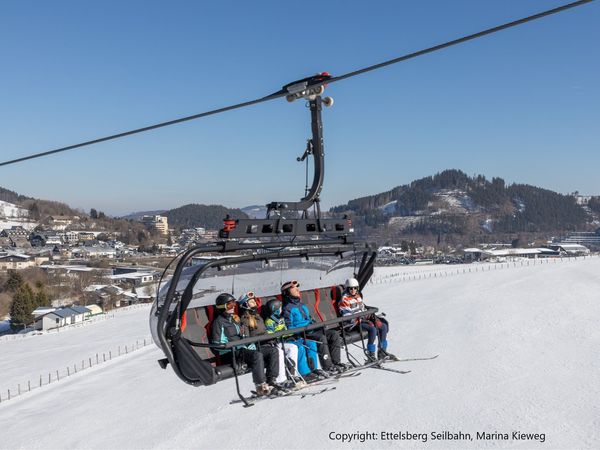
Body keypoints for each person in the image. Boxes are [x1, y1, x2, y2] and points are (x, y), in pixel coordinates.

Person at [210, 292, 279, 396]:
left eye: (234, 304)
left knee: (272, 351)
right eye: (229, 305)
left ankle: (271, 381)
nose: (233, 307)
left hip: (243, 349)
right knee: (257, 355)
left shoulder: (234, 320)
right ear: (222, 307)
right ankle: (260, 386)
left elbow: (243, 336)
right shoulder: (218, 322)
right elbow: (217, 345)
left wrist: (249, 344)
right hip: (232, 353)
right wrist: (234, 346)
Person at [281, 280, 347, 374]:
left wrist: (315, 324)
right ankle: (327, 366)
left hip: (312, 330)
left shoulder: (302, 305)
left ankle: (336, 362)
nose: (297, 290)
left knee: (333, 334)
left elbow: (309, 319)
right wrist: (305, 328)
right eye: (294, 288)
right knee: (321, 338)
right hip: (302, 334)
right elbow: (289, 327)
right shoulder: (287, 308)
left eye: (297, 288)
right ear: (287, 292)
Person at [237, 292, 292, 389]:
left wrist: (271, 338)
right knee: (275, 351)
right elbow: (246, 338)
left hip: (266, 344)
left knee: (275, 351)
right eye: (251, 301)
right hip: (257, 346)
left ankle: (272, 379)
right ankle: (274, 381)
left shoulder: (258, 317)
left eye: (254, 300)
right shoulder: (245, 320)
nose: (254, 302)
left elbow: (265, 332)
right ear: (245, 304)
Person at [339, 278, 396, 360]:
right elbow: (347, 316)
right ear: (347, 289)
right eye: (350, 288)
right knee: (372, 329)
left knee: (383, 326)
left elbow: (363, 309)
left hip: (362, 319)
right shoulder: (344, 300)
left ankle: (382, 351)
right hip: (352, 323)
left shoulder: (358, 297)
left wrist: (371, 316)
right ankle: (371, 355)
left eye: (355, 288)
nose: (353, 290)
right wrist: (363, 318)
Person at [264, 298, 316, 384]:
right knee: (298, 348)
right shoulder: (270, 321)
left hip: (289, 338)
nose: (281, 310)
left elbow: (287, 328)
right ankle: (300, 374)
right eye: (279, 308)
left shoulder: (281, 318)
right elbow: (271, 333)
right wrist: (281, 334)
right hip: (280, 341)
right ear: (275, 309)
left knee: (306, 344)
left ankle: (310, 370)